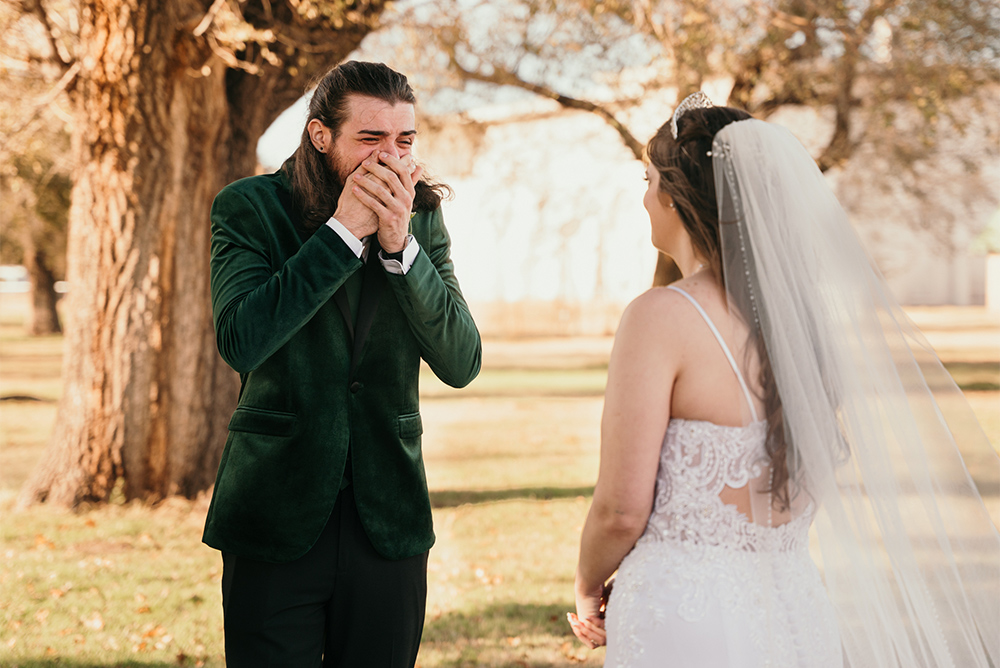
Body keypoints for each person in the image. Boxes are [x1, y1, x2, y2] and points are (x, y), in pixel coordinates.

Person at [567, 93, 999, 667]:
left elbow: (620, 510)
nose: (644, 198)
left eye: (648, 180)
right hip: (794, 607)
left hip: (685, 615)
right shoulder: (802, 323)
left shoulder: (659, 316)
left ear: (675, 194)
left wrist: (587, 585)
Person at [202, 60, 481, 666]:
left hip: (389, 519)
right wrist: (342, 233)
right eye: (371, 138)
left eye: (404, 140)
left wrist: (401, 249)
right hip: (274, 513)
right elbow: (241, 340)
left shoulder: (421, 217)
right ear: (320, 135)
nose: (391, 158)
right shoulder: (249, 207)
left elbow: (462, 361)